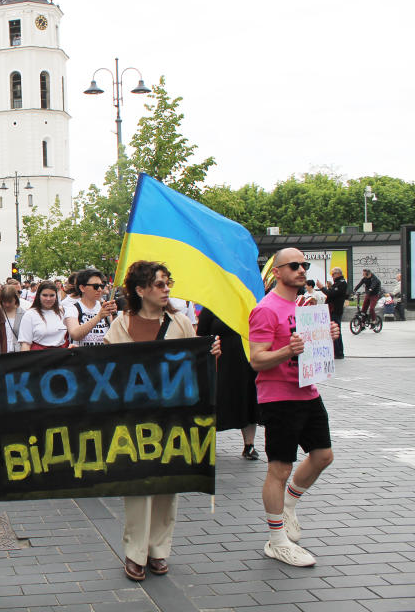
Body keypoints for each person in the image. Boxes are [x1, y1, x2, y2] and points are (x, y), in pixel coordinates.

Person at [103, 260, 221, 582]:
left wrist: (210, 356)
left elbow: (197, 372)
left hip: (174, 420)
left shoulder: (181, 323)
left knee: (169, 484)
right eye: (159, 284)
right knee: (139, 485)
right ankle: (135, 552)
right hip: (135, 420)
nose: (167, 289)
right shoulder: (120, 326)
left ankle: (159, 550)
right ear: (140, 290)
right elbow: (107, 376)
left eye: (169, 283)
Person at [249, 247, 340, 568]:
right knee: (279, 469)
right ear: (277, 271)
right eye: (294, 265)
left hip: (308, 392)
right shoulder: (266, 309)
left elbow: (312, 350)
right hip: (279, 398)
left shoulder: (305, 306)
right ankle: (276, 541)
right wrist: (287, 348)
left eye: (304, 264)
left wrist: (327, 337)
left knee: (323, 456)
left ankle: (288, 504)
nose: (302, 269)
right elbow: (256, 359)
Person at [197, 307, 259, 459]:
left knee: (247, 398)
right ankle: (208, 443)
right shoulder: (211, 307)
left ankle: (249, 445)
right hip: (220, 362)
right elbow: (201, 335)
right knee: (216, 399)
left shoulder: (247, 304)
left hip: (246, 361)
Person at [64, 269, 115, 346]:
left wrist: (114, 314)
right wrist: (99, 317)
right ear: (82, 288)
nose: (100, 290)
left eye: (101, 286)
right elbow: (75, 334)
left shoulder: (104, 306)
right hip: (82, 356)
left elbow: (114, 333)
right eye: (95, 286)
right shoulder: (72, 308)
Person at [17, 280, 67, 350]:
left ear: (56, 296)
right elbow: (25, 344)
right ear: (38, 296)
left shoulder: (62, 312)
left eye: (52, 295)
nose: (48, 299)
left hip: (61, 356)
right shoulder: (30, 315)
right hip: (39, 357)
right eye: (45, 295)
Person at [321, 267, 348, 359]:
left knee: (336, 331)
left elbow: (331, 294)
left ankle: (339, 352)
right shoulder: (338, 283)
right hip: (333, 310)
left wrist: (322, 287)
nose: (332, 276)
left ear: (338, 274)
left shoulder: (342, 283)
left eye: (333, 274)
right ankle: (337, 351)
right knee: (334, 330)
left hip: (335, 310)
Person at [0, 284, 25, 353]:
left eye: (10, 301)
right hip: (0, 352)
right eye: (4, 301)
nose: (7, 305)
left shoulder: (23, 314)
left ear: (16, 299)